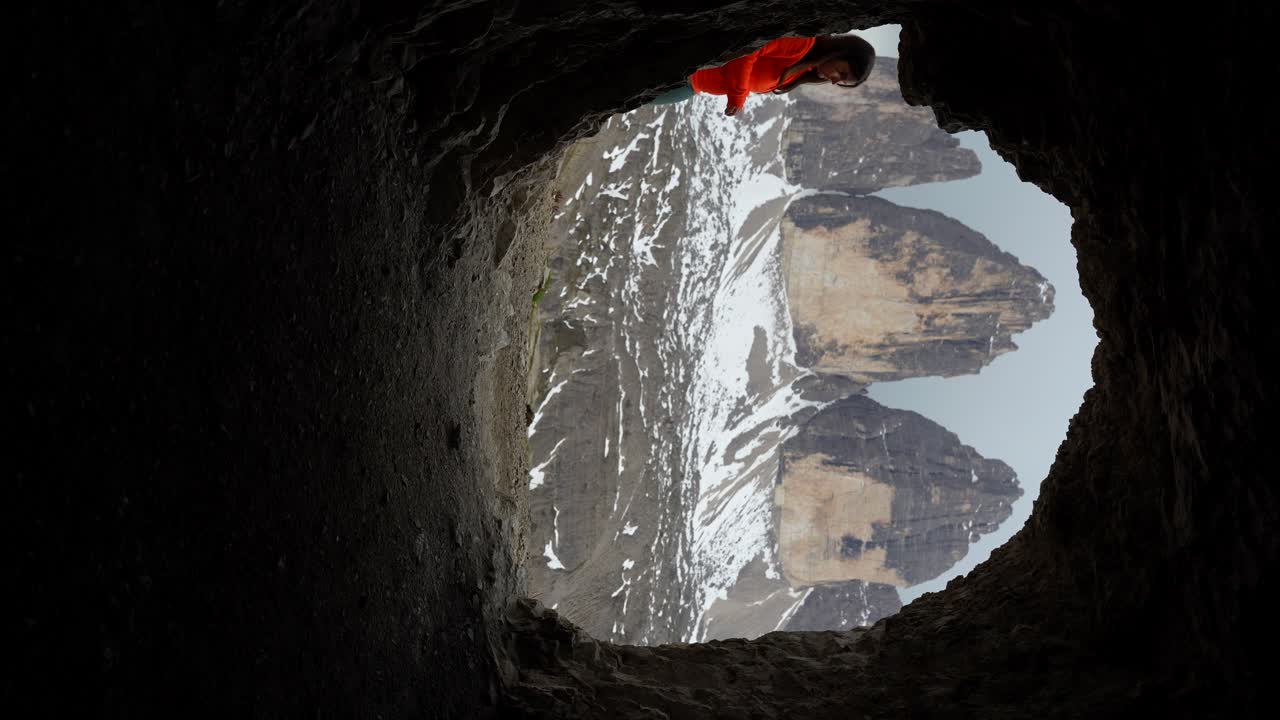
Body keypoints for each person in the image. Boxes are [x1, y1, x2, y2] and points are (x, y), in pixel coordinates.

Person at [651, 33, 875, 114]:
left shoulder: (802, 71)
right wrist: (737, 96)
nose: (834, 80)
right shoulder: (802, 44)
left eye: (841, 81)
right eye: (841, 72)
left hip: (690, 87)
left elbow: (752, 75)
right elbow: (749, 50)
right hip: (688, 70)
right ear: (840, 52)